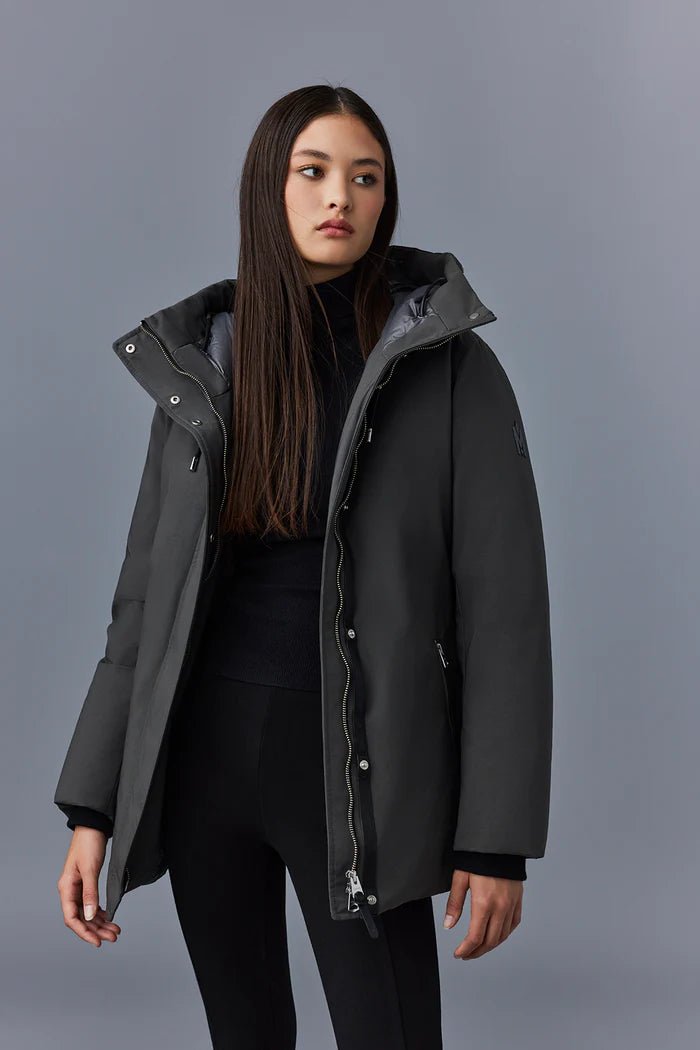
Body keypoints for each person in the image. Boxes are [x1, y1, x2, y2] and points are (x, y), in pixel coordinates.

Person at [55, 84, 553, 1049]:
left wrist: (496, 841)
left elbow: (505, 618)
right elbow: (144, 607)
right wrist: (93, 805)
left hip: (358, 780)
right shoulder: (201, 366)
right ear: (267, 190)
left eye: (366, 178)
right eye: (314, 171)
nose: (341, 197)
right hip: (204, 765)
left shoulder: (449, 370)